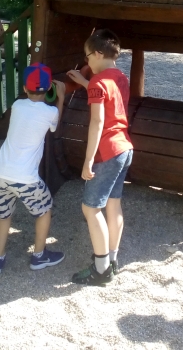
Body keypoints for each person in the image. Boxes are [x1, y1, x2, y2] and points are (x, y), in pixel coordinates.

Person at [66, 29, 133, 286]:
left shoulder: (97, 83)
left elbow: (97, 122)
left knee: (91, 208)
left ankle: (101, 268)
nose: (86, 62)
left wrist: (88, 160)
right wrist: (86, 84)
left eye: (87, 57)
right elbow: (109, 98)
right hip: (124, 148)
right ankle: (112, 259)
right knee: (113, 204)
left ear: (96, 54)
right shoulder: (120, 77)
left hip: (107, 152)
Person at [0, 63, 66, 274]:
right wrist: (61, 97)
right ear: (49, 88)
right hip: (24, 177)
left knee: (4, 214)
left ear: (24, 88)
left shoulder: (17, 106)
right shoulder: (50, 112)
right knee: (44, 210)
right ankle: (39, 256)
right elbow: (55, 126)